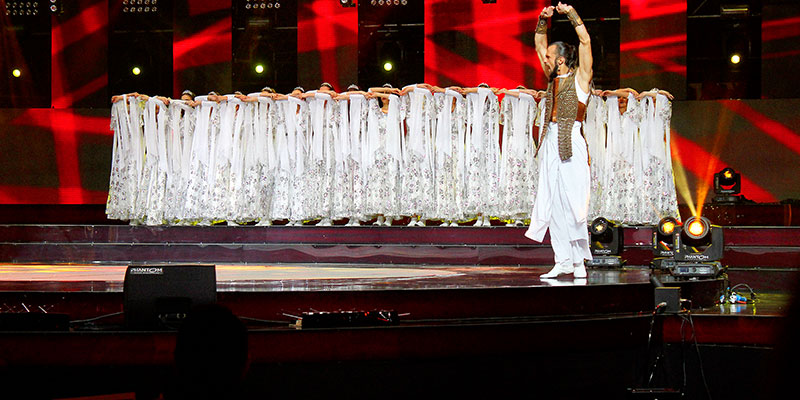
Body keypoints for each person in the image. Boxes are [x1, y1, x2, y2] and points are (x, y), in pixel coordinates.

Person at [525, 2, 593, 279]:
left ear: (561, 60)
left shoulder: (581, 79)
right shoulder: (551, 80)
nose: (545, 60)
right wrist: (543, 20)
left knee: (573, 202)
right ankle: (563, 260)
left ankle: (579, 261)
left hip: (571, 141)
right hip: (550, 141)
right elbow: (539, 44)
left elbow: (585, 41)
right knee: (552, 201)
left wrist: (572, 14)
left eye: (550, 58)